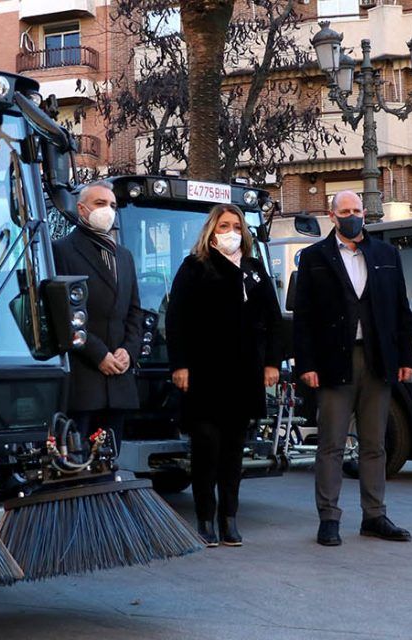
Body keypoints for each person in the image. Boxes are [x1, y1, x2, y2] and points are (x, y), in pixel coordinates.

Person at [292, 190, 412, 547]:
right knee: (331, 444)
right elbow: (304, 318)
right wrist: (307, 365)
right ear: (331, 216)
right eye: (344, 211)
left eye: (357, 210)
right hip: (333, 362)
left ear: (365, 213)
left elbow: (400, 312)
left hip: (377, 361)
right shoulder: (314, 258)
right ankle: (329, 518)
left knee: (375, 444)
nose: (352, 216)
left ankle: (374, 515)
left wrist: (405, 358)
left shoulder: (386, 255)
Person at [166, 204, 282, 548]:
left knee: (233, 451)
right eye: (224, 225)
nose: (230, 231)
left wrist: (272, 363)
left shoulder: (254, 269)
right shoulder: (194, 267)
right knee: (206, 448)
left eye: (236, 225)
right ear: (211, 230)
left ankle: (228, 519)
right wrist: (180, 365)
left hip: (244, 375)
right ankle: (204, 519)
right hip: (203, 375)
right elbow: (177, 319)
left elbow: (273, 319)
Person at [52, 181, 142, 454]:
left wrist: (129, 350)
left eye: (112, 205)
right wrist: (99, 353)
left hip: (119, 382)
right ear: (81, 209)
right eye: (100, 204)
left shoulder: (124, 256)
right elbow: (62, 312)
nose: (108, 211)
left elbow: (134, 311)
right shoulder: (62, 250)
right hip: (83, 379)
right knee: (76, 463)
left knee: (109, 460)